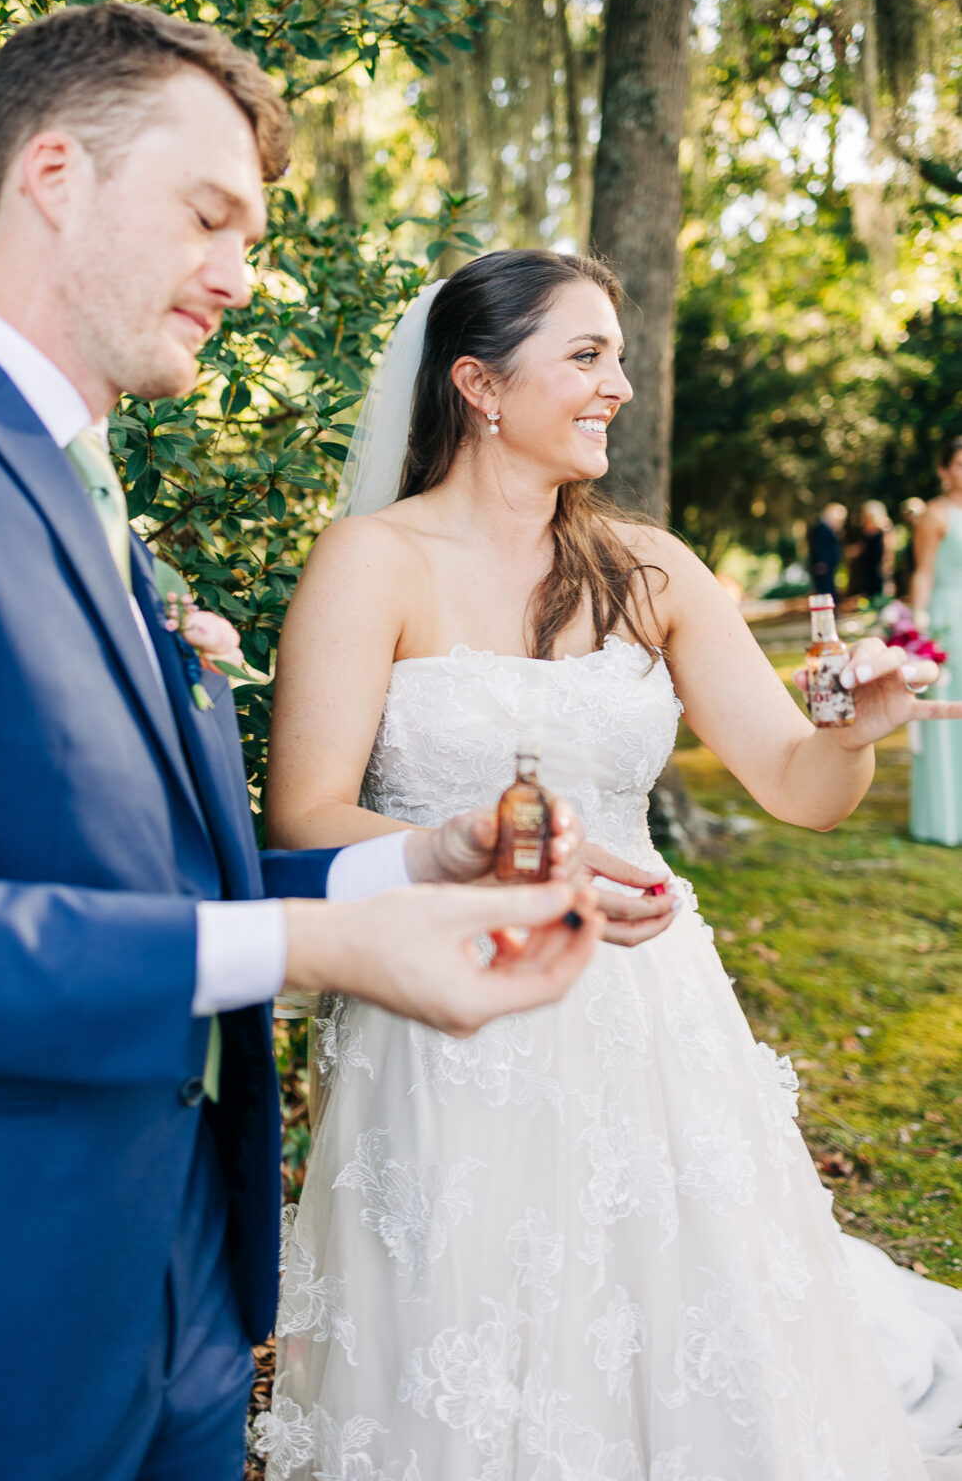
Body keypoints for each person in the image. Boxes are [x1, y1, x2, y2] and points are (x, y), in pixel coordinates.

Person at [0, 10, 674, 1481]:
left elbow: (153, 874)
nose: (239, 279)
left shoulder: (88, 495)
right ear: (53, 175)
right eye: (208, 220)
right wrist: (310, 956)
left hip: (180, 1283)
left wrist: (415, 871)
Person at [256, 251, 962, 1480]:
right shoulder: (374, 561)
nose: (617, 386)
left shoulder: (652, 569)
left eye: (615, 357)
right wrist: (487, 867)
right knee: (468, 1346)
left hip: (648, 1011)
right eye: (584, 355)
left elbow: (799, 788)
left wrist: (855, 729)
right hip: (448, 1013)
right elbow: (305, 816)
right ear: (477, 383)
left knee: (687, 1339)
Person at [910, 436, 962, 846]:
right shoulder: (936, 514)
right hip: (950, 619)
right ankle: (945, 819)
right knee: (949, 714)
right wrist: (919, 626)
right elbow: (923, 571)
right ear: (944, 470)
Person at [852, 499, 895, 599]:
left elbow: (889, 545)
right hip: (867, 560)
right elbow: (863, 545)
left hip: (880, 560)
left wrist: (887, 562)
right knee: (869, 584)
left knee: (882, 584)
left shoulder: (884, 526)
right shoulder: (864, 527)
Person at [809, 500, 847, 597]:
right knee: (825, 589)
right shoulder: (821, 528)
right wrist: (821, 562)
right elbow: (819, 547)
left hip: (828, 564)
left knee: (828, 588)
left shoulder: (829, 528)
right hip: (824, 565)